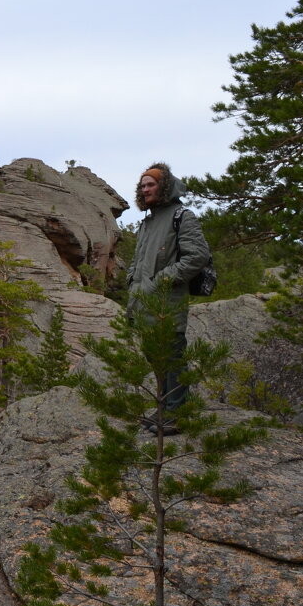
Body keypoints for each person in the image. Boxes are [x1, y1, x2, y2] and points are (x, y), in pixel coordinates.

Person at [126, 163, 211, 424]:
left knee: (173, 358)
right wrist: (132, 282)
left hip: (167, 302)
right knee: (156, 357)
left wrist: (161, 281)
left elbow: (197, 256)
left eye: (151, 184)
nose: (146, 189)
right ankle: (164, 409)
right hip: (142, 302)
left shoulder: (182, 216)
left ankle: (176, 413)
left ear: (164, 187)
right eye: (143, 185)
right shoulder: (147, 222)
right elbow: (138, 262)